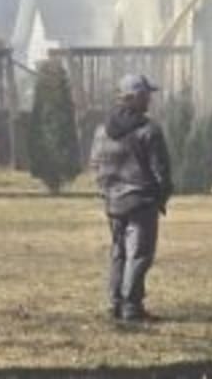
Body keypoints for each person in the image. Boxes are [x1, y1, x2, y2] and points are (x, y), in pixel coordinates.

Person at [90, 74, 173, 322]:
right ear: (135, 97)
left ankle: (115, 302)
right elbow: (161, 170)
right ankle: (131, 305)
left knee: (119, 253)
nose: (150, 99)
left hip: (113, 202)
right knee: (139, 254)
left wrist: (106, 192)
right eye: (146, 94)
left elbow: (95, 164)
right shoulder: (149, 130)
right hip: (141, 201)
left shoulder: (102, 130)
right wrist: (162, 195)